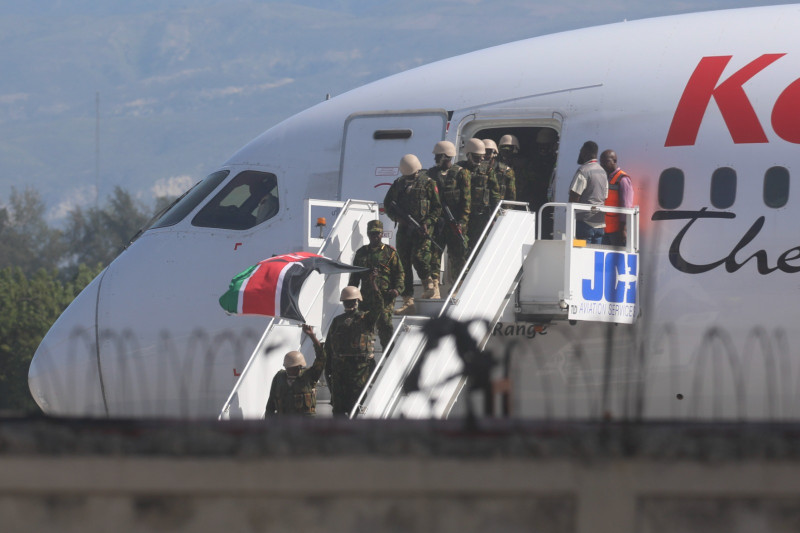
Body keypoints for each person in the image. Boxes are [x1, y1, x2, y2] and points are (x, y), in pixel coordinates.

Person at [384, 154, 442, 314]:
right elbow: (388, 205)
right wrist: (398, 219)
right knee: (403, 264)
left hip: (422, 229)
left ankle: (429, 285)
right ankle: (408, 301)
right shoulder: (398, 184)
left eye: (411, 175)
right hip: (405, 230)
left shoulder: (428, 183)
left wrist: (427, 223)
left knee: (419, 257)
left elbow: (437, 207)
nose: (409, 178)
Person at [324, 285, 380, 416]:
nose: (349, 303)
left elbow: (378, 307)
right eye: (346, 301)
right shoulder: (337, 321)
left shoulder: (366, 319)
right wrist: (328, 371)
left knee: (356, 406)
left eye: (351, 301)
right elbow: (329, 348)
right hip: (339, 371)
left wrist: (375, 287)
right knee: (338, 409)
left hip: (359, 370)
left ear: (358, 301)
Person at [348, 219, 404, 349]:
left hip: (385, 298)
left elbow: (400, 274)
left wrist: (397, 290)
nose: (375, 236)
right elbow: (354, 278)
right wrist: (351, 295)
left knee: (385, 325)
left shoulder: (390, 253)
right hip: (366, 298)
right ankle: (366, 358)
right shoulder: (361, 253)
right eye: (372, 233)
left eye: (377, 233)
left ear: (382, 234)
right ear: (368, 234)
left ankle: (389, 356)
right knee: (362, 328)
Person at [426, 140, 471, 289]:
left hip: (454, 222)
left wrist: (462, 223)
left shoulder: (460, 173)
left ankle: (458, 287)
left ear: (446, 156)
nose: (435, 159)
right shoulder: (430, 174)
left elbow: (466, 202)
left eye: (438, 156)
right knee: (434, 255)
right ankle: (435, 288)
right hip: (438, 223)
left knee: (458, 256)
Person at [264, 324, 325, 416]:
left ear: (300, 367)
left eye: (293, 367)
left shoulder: (309, 375)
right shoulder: (279, 377)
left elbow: (322, 358)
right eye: (288, 367)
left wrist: (312, 336)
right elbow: (271, 403)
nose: (290, 370)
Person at [464, 138, 501, 254]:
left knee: (481, 247)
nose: (480, 160)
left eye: (482, 156)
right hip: (463, 217)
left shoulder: (488, 170)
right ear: (468, 155)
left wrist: (496, 217)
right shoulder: (458, 170)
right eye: (476, 157)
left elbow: (495, 195)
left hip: (481, 216)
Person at [568, 141, 607, 244]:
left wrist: (570, 217)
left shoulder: (584, 170)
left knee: (580, 252)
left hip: (584, 224)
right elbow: (605, 196)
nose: (580, 153)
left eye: (581, 151)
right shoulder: (603, 172)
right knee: (595, 256)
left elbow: (574, 195)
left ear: (585, 152)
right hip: (600, 223)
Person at [600, 149, 633, 246]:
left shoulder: (622, 179)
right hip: (605, 230)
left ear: (614, 161)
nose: (602, 165)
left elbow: (626, 205)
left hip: (617, 231)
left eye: (606, 162)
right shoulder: (605, 178)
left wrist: (623, 230)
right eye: (601, 162)